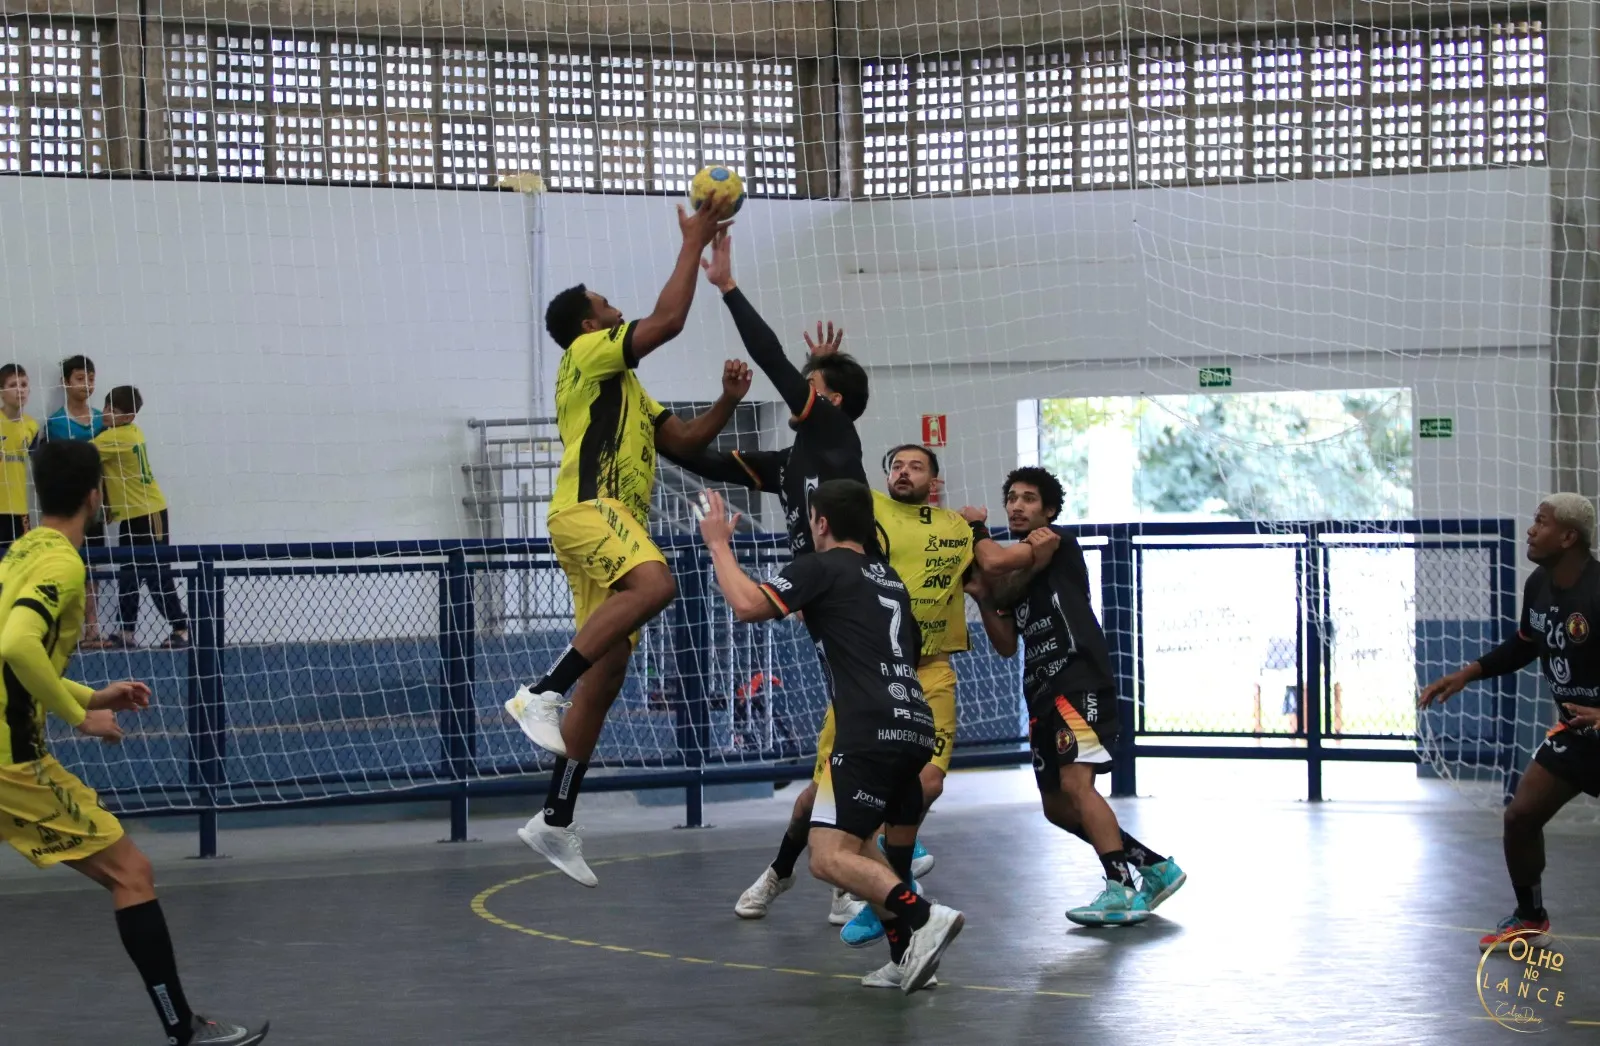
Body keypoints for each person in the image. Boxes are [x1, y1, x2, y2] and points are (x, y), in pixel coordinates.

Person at [503, 198, 750, 888]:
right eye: (608, 304)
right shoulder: (588, 353)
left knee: (607, 676)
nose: (618, 310)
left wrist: (727, 403)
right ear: (589, 323)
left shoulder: (627, 388)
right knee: (657, 584)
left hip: (606, 522)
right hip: (590, 509)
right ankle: (540, 691)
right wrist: (695, 241)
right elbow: (668, 320)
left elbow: (688, 444)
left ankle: (554, 818)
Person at [0, 440, 269, 1045]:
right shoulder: (64, 565)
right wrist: (78, 715)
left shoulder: (20, 552)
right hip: (10, 762)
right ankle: (184, 1029)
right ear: (96, 497)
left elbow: (19, 657)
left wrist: (91, 695)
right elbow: (15, 647)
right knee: (132, 873)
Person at [661, 233, 874, 925]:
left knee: (857, 749)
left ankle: (859, 870)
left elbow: (773, 360)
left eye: (814, 386)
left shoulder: (837, 436)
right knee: (838, 758)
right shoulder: (792, 461)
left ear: (833, 400)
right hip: (814, 595)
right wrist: (653, 428)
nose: (800, 389)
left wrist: (726, 287)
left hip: (848, 594)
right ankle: (842, 864)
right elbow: (711, 464)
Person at [698, 481, 963, 994]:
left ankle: (922, 916)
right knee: (861, 846)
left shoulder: (820, 567)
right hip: (915, 721)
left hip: (865, 728)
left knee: (826, 857)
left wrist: (717, 545)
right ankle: (905, 954)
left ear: (820, 523)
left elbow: (749, 605)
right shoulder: (888, 579)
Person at [985, 466, 1186, 926]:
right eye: (1012, 497)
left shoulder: (1054, 541)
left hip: (1077, 677)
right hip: (1039, 690)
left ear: (1049, 511)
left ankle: (1119, 887)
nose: (1018, 505)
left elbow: (996, 566)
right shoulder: (1017, 573)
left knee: (1078, 785)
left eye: (1029, 498)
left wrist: (977, 539)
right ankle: (1155, 866)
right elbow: (1004, 643)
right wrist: (983, 598)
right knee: (1057, 807)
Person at [1420, 493, 1600, 952]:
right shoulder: (1538, 584)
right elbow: (1525, 646)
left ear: (1569, 536)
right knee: (1520, 817)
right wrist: (1468, 672)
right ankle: (1529, 918)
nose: (1531, 530)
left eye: (1541, 522)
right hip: (1577, 738)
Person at [93, 386, 189, 650]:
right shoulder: (128, 432)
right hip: (131, 516)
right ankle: (126, 632)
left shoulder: (116, 437)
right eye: (106, 407)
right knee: (129, 574)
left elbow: (80, 455)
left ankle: (182, 629)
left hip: (149, 513)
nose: (106, 413)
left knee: (157, 573)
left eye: (114, 411)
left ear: (129, 417)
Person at [45, 354, 109, 645]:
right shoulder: (55, 424)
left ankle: (92, 628)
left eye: (91, 379)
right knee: (66, 565)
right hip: (66, 510)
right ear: (65, 382)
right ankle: (65, 629)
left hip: (93, 508)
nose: (87, 385)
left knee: (92, 567)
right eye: (81, 379)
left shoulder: (103, 420)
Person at [0, 362, 39, 552]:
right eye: (13, 385)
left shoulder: (32, 426)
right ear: (1, 392)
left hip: (19, 509)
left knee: (20, 567)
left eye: (24, 385)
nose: (20, 390)